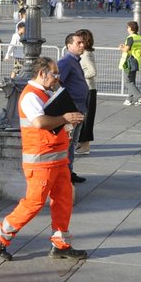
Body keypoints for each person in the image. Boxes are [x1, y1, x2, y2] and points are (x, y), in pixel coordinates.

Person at [0, 56, 86, 261]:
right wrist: (65, 118)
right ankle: (0, 235)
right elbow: (39, 122)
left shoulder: (44, 93)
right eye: (54, 74)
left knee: (63, 200)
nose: (57, 78)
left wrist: (67, 124)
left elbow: (50, 124)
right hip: (41, 160)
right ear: (42, 73)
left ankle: (60, 244)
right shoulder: (30, 95)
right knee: (33, 203)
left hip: (56, 158)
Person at [57, 32, 91, 185]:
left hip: (79, 106)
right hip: (72, 108)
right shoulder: (66, 61)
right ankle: (65, 173)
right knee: (68, 141)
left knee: (73, 141)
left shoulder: (75, 61)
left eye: (83, 42)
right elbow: (57, 83)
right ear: (69, 45)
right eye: (78, 43)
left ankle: (68, 171)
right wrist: (66, 105)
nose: (82, 45)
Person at [75, 30, 98, 158]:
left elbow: (93, 72)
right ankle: (82, 143)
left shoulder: (87, 55)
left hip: (89, 89)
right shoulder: (84, 54)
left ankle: (85, 146)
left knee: (87, 118)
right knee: (83, 117)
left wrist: (79, 76)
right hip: (85, 89)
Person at [119, 21, 141, 105]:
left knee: (128, 81)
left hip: (129, 61)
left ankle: (139, 95)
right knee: (132, 81)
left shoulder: (130, 37)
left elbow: (126, 49)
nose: (127, 29)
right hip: (136, 60)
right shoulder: (139, 37)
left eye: (128, 27)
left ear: (131, 28)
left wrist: (121, 48)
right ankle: (129, 99)